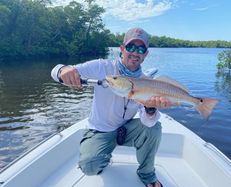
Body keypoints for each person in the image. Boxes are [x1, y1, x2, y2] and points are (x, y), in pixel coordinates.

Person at [51, 27, 172, 187]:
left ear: (146, 54)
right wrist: (63, 70)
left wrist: (150, 109)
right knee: (89, 166)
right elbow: (55, 72)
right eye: (131, 47)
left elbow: (148, 123)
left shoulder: (147, 81)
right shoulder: (103, 67)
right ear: (122, 49)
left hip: (126, 129)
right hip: (100, 130)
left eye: (141, 49)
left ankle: (147, 174)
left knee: (154, 127)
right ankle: (103, 154)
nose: (135, 53)